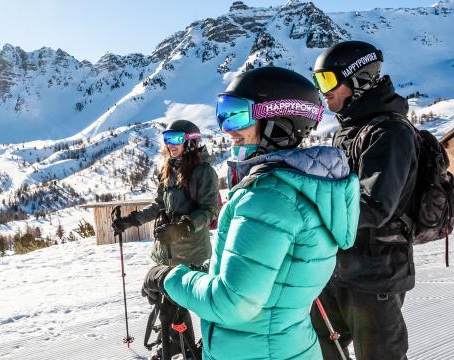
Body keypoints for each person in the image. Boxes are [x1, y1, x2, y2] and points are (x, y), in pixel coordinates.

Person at [141, 66, 360, 360]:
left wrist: (169, 277)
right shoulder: (306, 187)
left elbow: (232, 303)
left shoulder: (268, 198)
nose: (227, 128)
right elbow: (267, 278)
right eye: (223, 113)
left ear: (278, 121)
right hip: (283, 346)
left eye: (236, 114)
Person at [309, 40, 419, 360]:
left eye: (328, 81)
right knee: (316, 347)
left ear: (359, 80)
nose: (322, 91)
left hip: (377, 273)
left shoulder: (390, 133)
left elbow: (374, 206)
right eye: (318, 82)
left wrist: (312, 209)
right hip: (339, 269)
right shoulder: (348, 130)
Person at [111, 119, 219, 359]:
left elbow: (210, 209)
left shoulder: (204, 172)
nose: (171, 145)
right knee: (159, 297)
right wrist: (132, 221)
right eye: (167, 139)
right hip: (166, 249)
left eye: (176, 139)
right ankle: (176, 342)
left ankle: (185, 349)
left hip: (190, 251)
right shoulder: (169, 168)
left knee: (175, 303)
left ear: (190, 142)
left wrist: (182, 227)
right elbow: (159, 205)